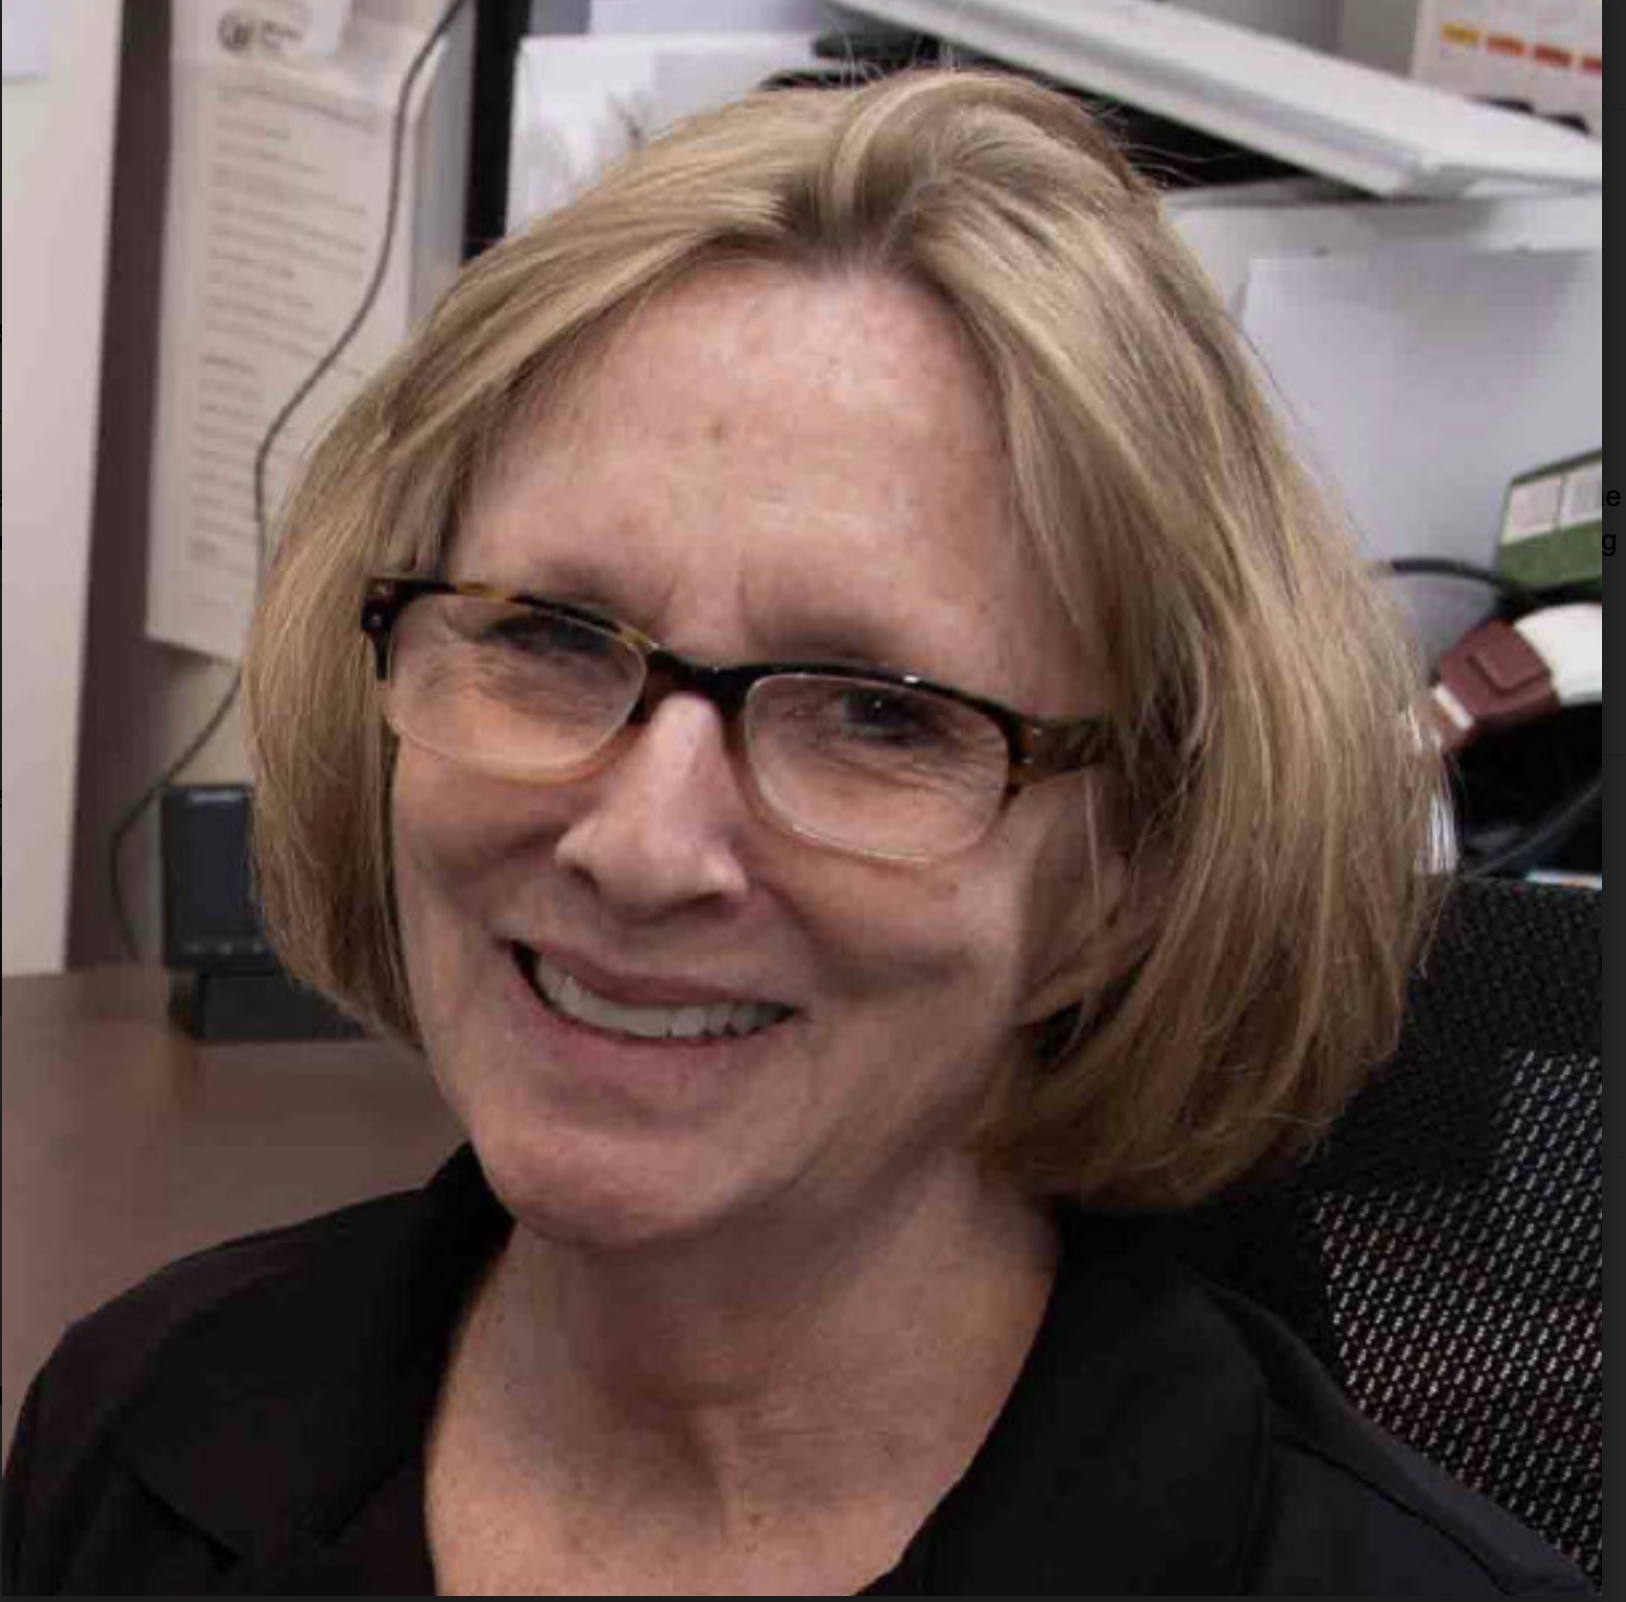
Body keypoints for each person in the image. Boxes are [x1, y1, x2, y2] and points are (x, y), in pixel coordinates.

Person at [2, 69, 1589, 1595]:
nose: (640, 846)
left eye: (880, 714)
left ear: (1128, 878)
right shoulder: (140, 1433)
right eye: (546, 635)